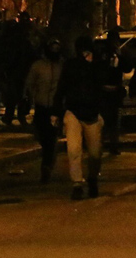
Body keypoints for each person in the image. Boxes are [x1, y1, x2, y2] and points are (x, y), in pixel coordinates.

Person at [53, 36, 105, 200]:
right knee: (74, 149)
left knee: (95, 153)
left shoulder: (97, 65)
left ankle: (93, 177)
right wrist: (56, 112)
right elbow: (61, 87)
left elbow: (102, 82)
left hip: (92, 113)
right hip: (74, 111)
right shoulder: (71, 65)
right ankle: (77, 183)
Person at [25, 38, 64, 184]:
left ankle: (46, 165)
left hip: (55, 107)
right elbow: (30, 84)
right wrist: (32, 99)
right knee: (42, 135)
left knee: (51, 139)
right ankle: (47, 161)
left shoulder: (61, 66)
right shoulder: (38, 66)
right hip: (41, 106)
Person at [97, 30, 131, 156]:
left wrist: (120, 56)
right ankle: (99, 144)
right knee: (102, 120)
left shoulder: (119, 54)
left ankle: (113, 145)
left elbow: (127, 67)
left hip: (115, 92)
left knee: (115, 121)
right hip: (103, 91)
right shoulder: (102, 53)